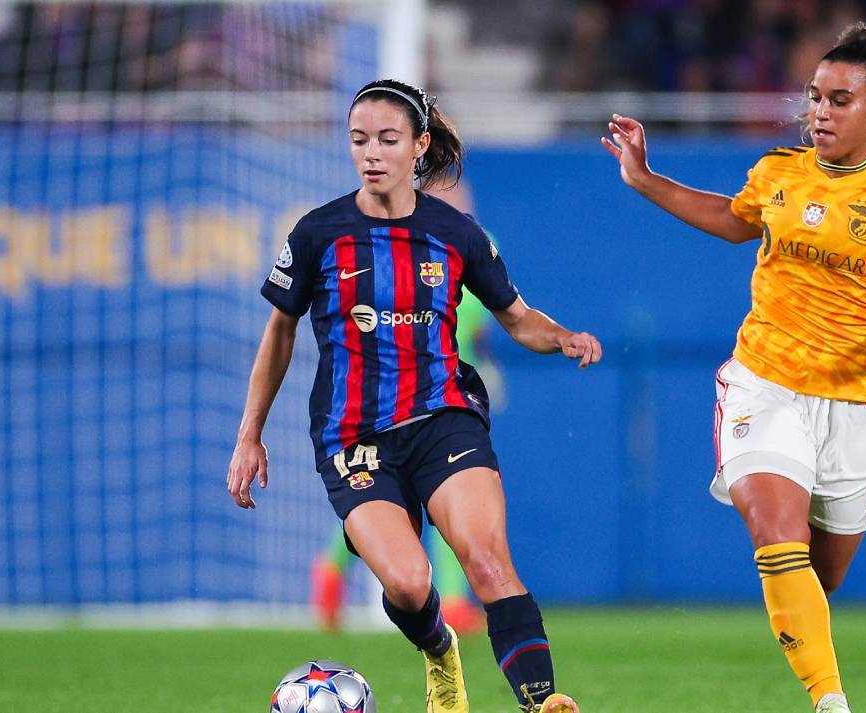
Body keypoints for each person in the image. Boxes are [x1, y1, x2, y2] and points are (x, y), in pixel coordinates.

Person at [602, 22, 866, 713]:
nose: (820, 111)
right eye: (815, 97)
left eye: (839, 99)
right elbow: (733, 219)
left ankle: (811, 652)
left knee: (819, 576)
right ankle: (832, 701)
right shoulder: (777, 172)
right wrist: (644, 179)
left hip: (862, 403)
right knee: (773, 531)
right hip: (764, 380)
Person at [227, 78, 599, 713]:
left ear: (419, 146)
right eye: (359, 140)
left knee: (486, 560)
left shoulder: (455, 233)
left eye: (388, 139)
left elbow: (515, 316)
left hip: (443, 418)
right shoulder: (318, 234)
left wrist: (562, 336)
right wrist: (248, 435)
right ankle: (439, 652)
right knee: (407, 582)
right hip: (353, 437)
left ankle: (541, 703)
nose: (372, 153)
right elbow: (279, 332)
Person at [311, 180, 502, 636]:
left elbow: (481, 312)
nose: (456, 202)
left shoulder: (481, 242)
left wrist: (486, 363)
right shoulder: (398, 242)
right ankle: (336, 565)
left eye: (461, 193)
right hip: (402, 389)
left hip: (454, 388)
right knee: (394, 498)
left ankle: (447, 598)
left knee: (445, 497)